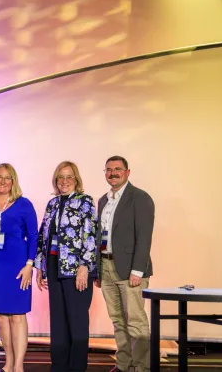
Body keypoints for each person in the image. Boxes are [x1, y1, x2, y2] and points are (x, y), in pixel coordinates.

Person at [34, 161, 98, 372]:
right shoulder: (52, 204)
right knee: (58, 321)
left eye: (69, 176)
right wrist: (40, 266)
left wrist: (85, 266)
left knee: (77, 321)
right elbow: (44, 235)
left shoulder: (85, 202)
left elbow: (91, 235)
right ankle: (59, 366)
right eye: (60, 177)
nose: (64, 181)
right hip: (53, 266)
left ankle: (77, 368)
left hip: (76, 269)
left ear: (76, 179)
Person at [96, 156, 155, 372]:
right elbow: (100, 236)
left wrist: (137, 270)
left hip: (131, 269)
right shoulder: (103, 200)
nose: (113, 173)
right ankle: (123, 365)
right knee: (118, 321)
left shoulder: (139, 198)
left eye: (117, 169)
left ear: (127, 172)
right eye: (108, 169)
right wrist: (98, 271)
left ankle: (141, 367)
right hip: (106, 266)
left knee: (136, 322)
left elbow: (144, 236)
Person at [0, 163, 38, 372]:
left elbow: (33, 236)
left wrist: (29, 264)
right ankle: (8, 363)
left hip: (17, 265)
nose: (2, 181)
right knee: (0, 315)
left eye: (7, 177)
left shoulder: (24, 204)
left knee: (17, 315)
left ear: (13, 180)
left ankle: (19, 366)